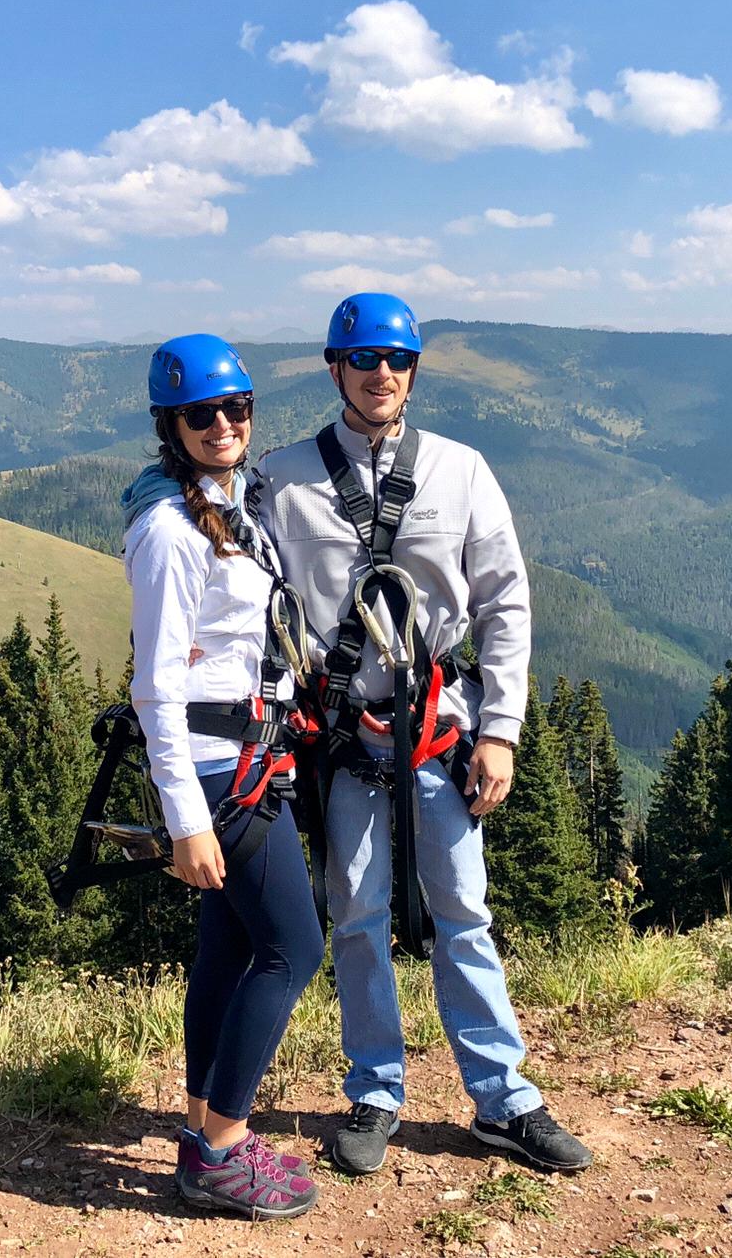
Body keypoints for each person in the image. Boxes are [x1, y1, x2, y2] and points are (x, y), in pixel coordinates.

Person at [251, 293, 594, 1176]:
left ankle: (504, 1100)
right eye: (363, 359)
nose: (380, 373)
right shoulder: (283, 480)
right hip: (340, 740)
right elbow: (246, 595)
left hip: (439, 728)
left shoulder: (461, 471)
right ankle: (375, 1092)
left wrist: (503, 732)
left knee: (464, 915)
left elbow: (505, 602)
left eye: (396, 359)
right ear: (335, 369)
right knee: (358, 914)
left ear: (412, 371)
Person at [122, 333, 324, 1219]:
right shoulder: (170, 530)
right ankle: (223, 1149)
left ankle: (202, 1121)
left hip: (241, 755)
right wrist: (186, 820)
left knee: (230, 947)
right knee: (293, 949)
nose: (221, 424)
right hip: (214, 774)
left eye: (235, 409)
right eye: (201, 414)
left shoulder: (229, 506)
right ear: (172, 425)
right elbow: (156, 686)